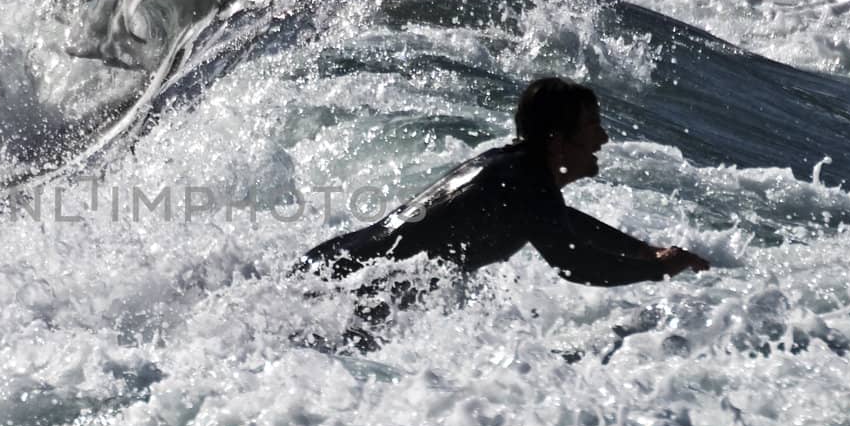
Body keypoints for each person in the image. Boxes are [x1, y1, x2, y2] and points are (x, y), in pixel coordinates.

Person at [298, 77, 709, 321]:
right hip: (341, 288)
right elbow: (574, 264)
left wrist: (645, 252)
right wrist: (659, 272)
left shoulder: (517, 171)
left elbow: (567, 223)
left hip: (335, 271)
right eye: (592, 126)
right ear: (557, 141)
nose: (603, 138)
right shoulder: (524, 180)